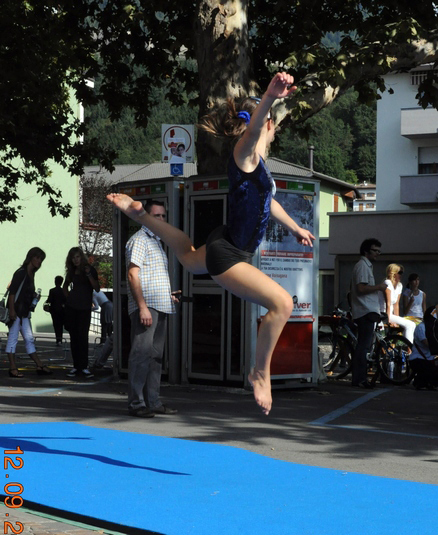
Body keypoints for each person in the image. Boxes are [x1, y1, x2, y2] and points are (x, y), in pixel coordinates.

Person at [107, 72, 315, 415]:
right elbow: (253, 131)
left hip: (226, 240)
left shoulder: (259, 166)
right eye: (272, 126)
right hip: (230, 253)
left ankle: (141, 215)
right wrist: (268, 97)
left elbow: (268, 202)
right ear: (266, 125)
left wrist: (295, 227)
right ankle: (260, 372)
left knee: (187, 255)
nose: (273, 132)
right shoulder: (244, 155)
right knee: (281, 304)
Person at [124, 199, 180, 418]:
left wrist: (168, 295)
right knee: (141, 355)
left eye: (163, 216)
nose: (161, 219)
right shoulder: (139, 240)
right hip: (146, 308)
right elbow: (132, 274)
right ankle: (136, 403)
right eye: (157, 216)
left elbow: (150, 277)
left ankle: (153, 401)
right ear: (146, 217)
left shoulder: (156, 241)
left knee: (155, 357)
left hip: (159, 305)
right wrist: (142, 307)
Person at [5, 247, 52, 378]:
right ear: (30, 257)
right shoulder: (21, 273)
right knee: (13, 339)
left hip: (24, 313)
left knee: (29, 338)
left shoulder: (31, 274)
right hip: (17, 312)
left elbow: (25, 293)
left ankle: (39, 365)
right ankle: (13, 368)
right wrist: (12, 311)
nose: (39, 261)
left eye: (41, 259)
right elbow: (12, 293)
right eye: (37, 258)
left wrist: (34, 297)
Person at [350, 239, 387, 388]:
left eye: (379, 251)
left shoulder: (366, 266)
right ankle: (359, 380)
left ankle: (360, 378)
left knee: (364, 346)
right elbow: (361, 288)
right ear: (366, 251)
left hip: (367, 310)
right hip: (365, 311)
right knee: (363, 347)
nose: (378, 253)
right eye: (375, 250)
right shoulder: (362, 266)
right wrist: (379, 287)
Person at [63, 247, 100, 379]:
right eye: (73, 258)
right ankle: (76, 366)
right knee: (74, 337)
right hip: (72, 307)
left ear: (81, 257)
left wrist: (89, 274)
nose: (76, 260)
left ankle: (84, 366)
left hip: (84, 308)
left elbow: (96, 288)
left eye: (77, 257)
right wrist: (69, 298)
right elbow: (65, 286)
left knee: (83, 336)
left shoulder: (90, 270)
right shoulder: (71, 271)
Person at [379, 264, 416, 343]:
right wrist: (388, 320)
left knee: (412, 324)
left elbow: (396, 304)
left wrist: (397, 319)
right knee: (410, 325)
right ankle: (409, 348)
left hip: (390, 314)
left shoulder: (399, 285)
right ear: (393, 273)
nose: (401, 275)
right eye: (400, 273)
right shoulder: (387, 283)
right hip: (383, 314)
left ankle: (408, 347)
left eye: (402, 273)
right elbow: (388, 303)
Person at [409, 306, 438, 390]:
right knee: (429, 372)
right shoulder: (421, 327)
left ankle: (428, 382)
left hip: (429, 359)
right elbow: (427, 343)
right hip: (418, 359)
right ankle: (420, 382)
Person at [46, 275, 66, 346]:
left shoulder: (52, 291)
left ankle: (58, 340)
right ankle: (60, 339)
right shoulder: (63, 291)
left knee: (56, 325)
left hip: (54, 310)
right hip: (62, 310)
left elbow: (49, 300)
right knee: (61, 325)